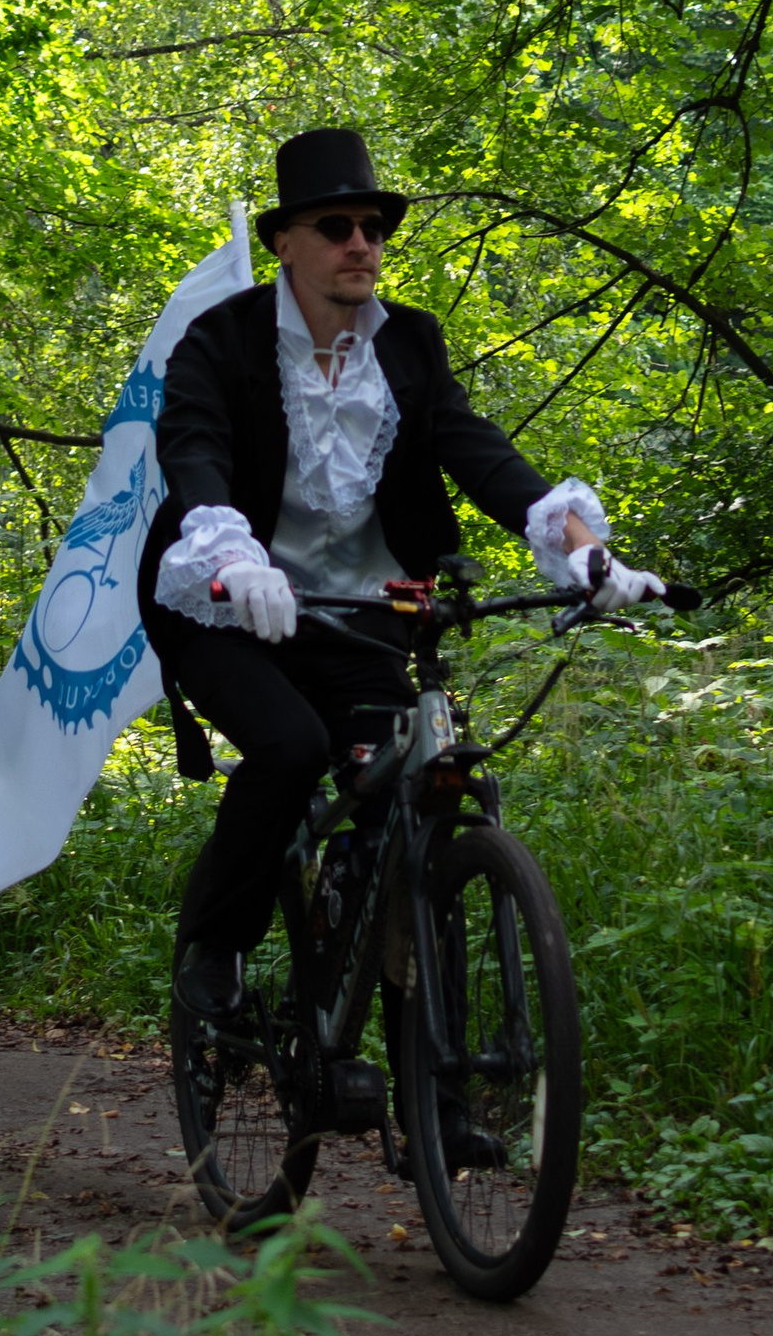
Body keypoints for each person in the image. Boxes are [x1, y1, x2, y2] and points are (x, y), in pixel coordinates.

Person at [141, 127, 664, 1018]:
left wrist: (584, 549)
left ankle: (442, 1085)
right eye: (337, 224)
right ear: (284, 242)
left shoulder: (411, 343)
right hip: (230, 607)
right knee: (291, 747)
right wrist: (233, 557)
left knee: (415, 805)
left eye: (375, 227)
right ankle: (216, 948)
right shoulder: (220, 341)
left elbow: (482, 454)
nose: (362, 244)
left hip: (359, 615)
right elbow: (195, 453)